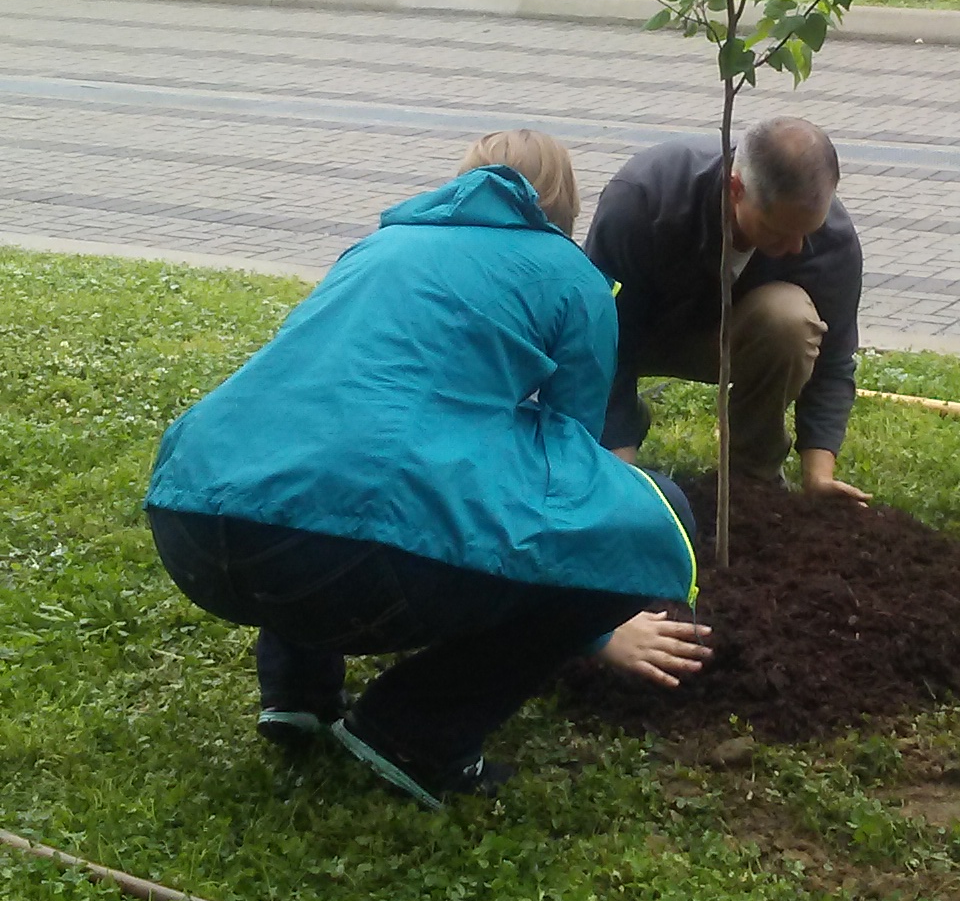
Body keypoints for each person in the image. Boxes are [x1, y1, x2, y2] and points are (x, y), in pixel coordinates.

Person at [145, 131, 709, 811]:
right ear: (564, 206)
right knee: (661, 509)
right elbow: (574, 467)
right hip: (349, 568)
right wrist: (599, 629)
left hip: (193, 527)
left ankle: (299, 694)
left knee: (323, 455)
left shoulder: (378, 247)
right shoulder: (571, 278)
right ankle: (412, 730)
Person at [585, 115, 868, 500]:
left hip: (733, 339)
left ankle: (750, 479)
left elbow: (834, 361)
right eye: (779, 232)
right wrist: (620, 466)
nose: (797, 248)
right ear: (736, 189)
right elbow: (601, 336)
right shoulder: (644, 199)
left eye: (808, 232)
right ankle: (624, 426)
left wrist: (818, 476)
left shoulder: (832, 238)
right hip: (641, 331)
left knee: (789, 320)